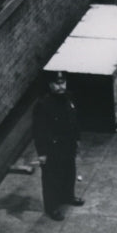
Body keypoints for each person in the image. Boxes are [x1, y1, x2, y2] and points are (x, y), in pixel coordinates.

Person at [32, 71, 84, 221]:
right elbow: (38, 131)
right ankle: (52, 207)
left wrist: (77, 139)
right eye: (57, 83)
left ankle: (68, 196)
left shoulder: (68, 98)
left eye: (62, 82)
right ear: (50, 85)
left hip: (68, 144)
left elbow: (74, 120)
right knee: (52, 178)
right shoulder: (43, 105)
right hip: (52, 147)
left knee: (69, 171)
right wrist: (42, 153)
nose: (60, 86)